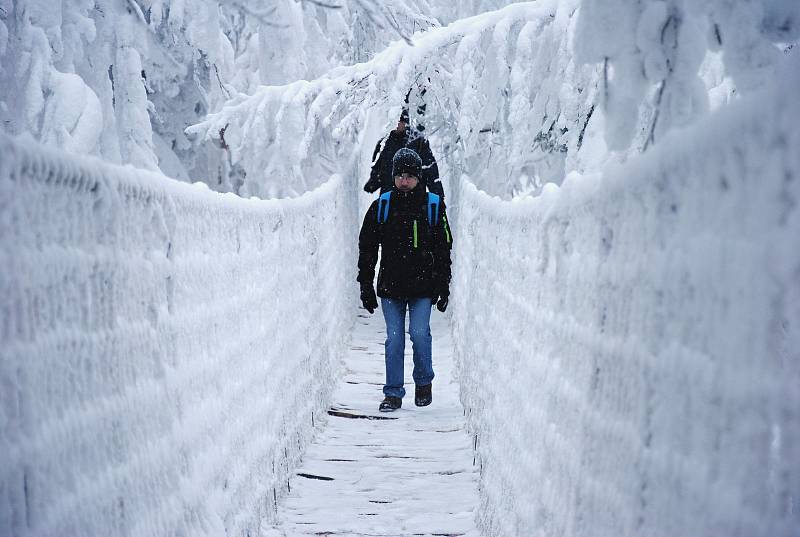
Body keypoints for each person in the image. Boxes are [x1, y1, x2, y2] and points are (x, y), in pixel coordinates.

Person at [357, 148, 453, 412]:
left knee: (420, 333)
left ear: (418, 177)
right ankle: (393, 393)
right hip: (391, 286)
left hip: (423, 286)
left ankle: (423, 382)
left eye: (409, 176)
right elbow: (367, 248)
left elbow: (444, 247)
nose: (404, 181)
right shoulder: (382, 206)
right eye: (399, 175)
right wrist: (365, 284)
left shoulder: (433, 206)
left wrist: (443, 285)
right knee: (394, 337)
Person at [363, 109, 444, 198]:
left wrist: (438, 195)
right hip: (390, 196)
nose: (397, 124)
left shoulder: (418, 142)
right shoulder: (384, 143)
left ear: (406, 122)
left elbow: (430, 171)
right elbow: (378, 168)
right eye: (395, 120)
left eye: (400, 121)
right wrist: (372, 183)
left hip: (415, 198)